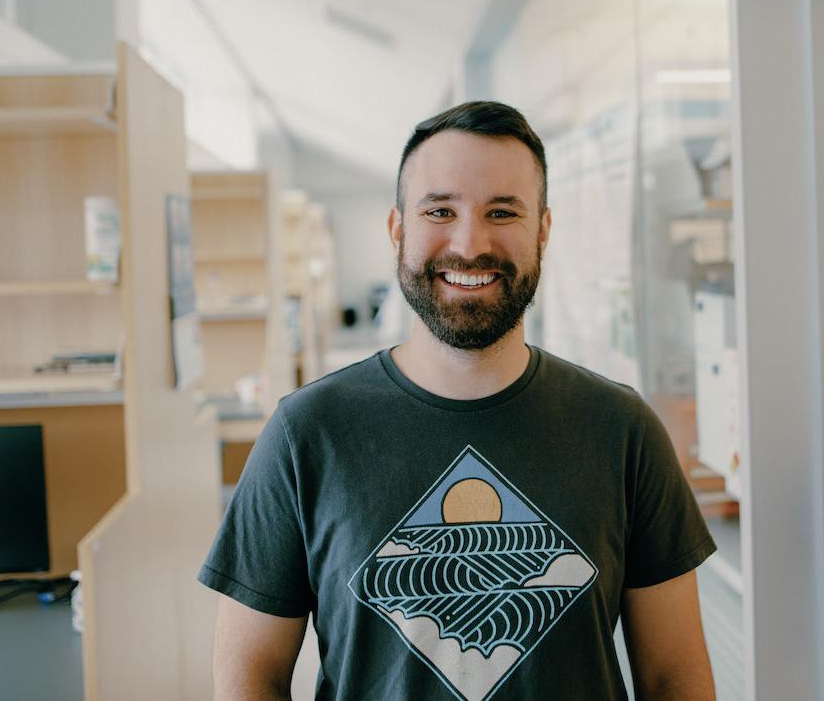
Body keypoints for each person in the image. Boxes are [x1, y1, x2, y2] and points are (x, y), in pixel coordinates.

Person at [198, 101, 717, 700]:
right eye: (440, 210)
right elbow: (247, 681)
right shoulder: (306, 435)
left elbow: (674, 677)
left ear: (543, 230)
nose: (470, 244)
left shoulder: (622, 430)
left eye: (502, 211)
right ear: (398, 230)